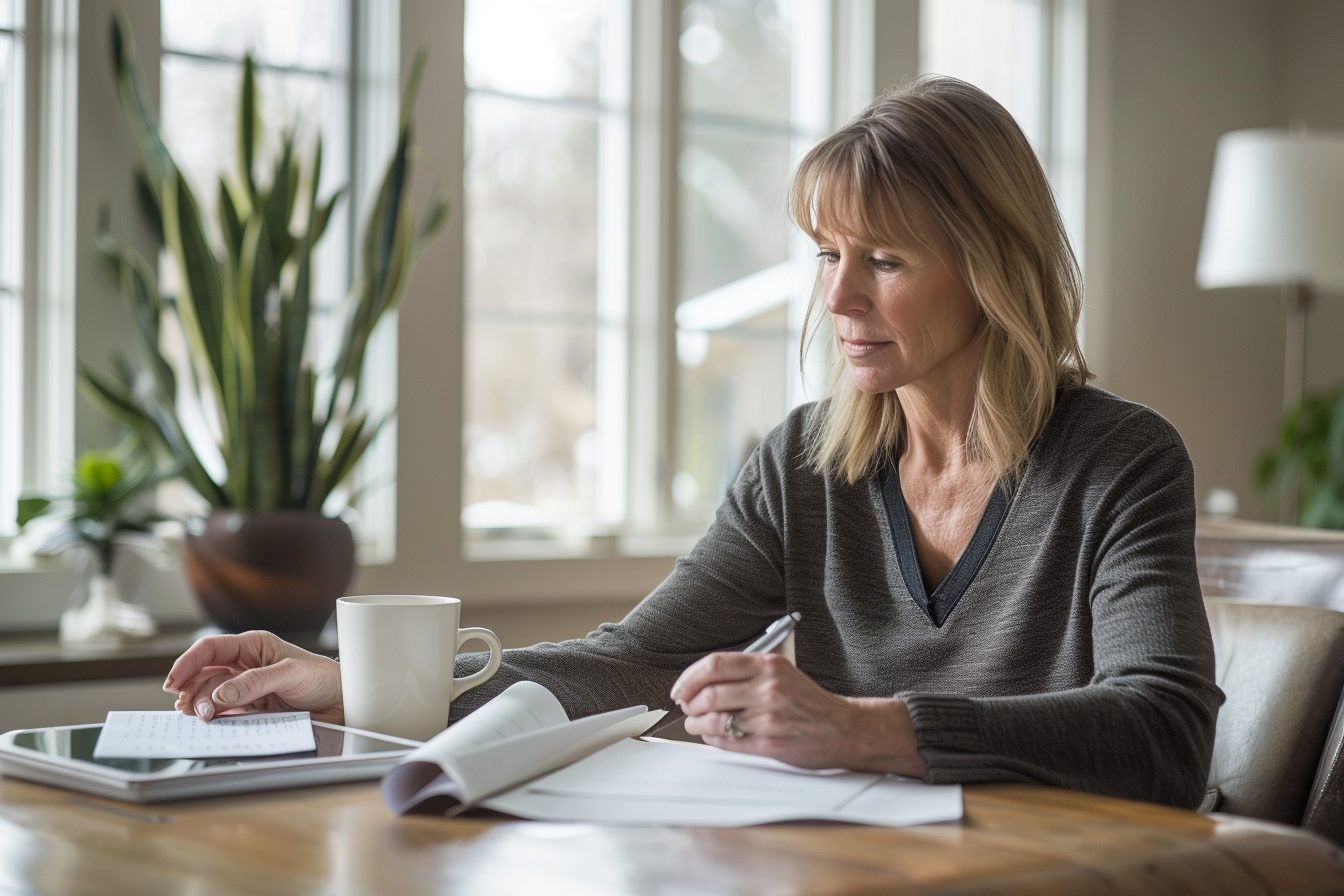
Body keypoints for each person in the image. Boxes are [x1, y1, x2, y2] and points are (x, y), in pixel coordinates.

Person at [163, 75, 1223, 808]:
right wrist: (359, 680)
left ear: (994, 267)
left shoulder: (1121, 461)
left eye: (886, 260)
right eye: (826, 255)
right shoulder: (804, 463)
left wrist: (867, 726)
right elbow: (634, 657)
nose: (840, 297)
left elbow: (1165, 736)